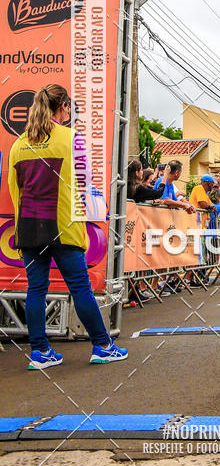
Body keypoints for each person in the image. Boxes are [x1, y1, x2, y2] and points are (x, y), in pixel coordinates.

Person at [8, 84, 128, 369]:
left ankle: (40, 353)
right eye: (69, 107)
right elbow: (85, 183)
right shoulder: (72, 138)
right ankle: (102, 345)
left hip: (28, 225)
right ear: (62, 107)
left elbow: (15, 191)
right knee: (80, 288)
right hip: (62, 224)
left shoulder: (18, 144)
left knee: (35, 289)